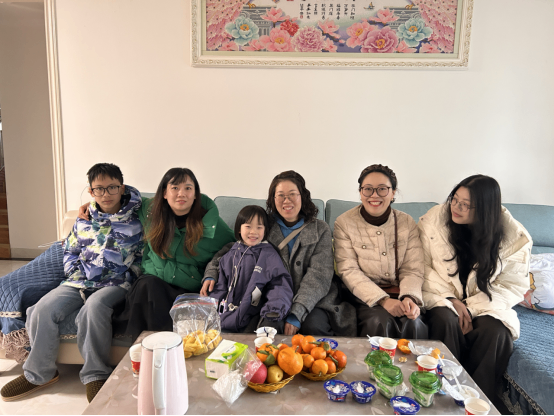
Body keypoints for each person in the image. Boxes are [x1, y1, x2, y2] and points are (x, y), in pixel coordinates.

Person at [1, 163, 144, 403]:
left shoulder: (137, 221)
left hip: (115, 283)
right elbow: (70, 250)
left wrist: (130, 274)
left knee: (93, 309)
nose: (106, 194)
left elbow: (143, 256)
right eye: (99, 189)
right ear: (91, 191)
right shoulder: (84, 220)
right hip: (78, 281)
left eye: (112, 187)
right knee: (39, 310)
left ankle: (96, 374)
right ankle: (39, 374)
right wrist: (73, 271)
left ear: (121, 187)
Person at [202, 170, 356, 337]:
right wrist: (212, 273)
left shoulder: (320, 229)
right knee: (267, 329)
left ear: (302, 196)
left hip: (313, 300)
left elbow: (319, 276)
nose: (286, 200)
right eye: (281, 195)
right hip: (272, 297)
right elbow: (234, 251)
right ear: (273, 199)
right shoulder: (262, 225)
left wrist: (297, 312)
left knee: (314, 328)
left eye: (292, 194)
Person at [419, 174, 532, 401]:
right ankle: (440, 396)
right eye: (455, 199)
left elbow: (511, 286)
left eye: (466, 205)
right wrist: (450, 300)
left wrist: (470, 308)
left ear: (486, 209)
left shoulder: (516, 238)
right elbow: (422, 267)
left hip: (486, 303)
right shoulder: (433, 221)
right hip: (439, 296)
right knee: (445, 320)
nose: (456, 207)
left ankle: (476, 401)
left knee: (497, 332)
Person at [110, 168, 236, 341]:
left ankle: (161, 348)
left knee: (150, 292)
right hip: (153, 285)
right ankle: (152, 348)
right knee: (148, 286)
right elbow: (120, 195)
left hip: (189, 290)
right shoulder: (150, 211)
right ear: (164, 193)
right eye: (175, 188)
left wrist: (211, 273)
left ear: (195, 194)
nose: (181, 194)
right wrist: (91, 205)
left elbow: (234, 251)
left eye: (188, 188)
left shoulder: (212, 224)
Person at [334, 164, 428, 339]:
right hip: (363, 297)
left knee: (413, 322)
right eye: (368, 189)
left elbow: (413, 268)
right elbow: (348, 270)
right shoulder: (344, 223)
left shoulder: (407, 222)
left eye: (382, 189)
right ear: (360, 192)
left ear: (393, 193)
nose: (374, 195)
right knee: (380, 321)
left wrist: (409, 297)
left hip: (400, 292)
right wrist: (383, 300)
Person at [208, 206, 294, 333]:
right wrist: (210, 306)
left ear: (265, 230)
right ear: (239, 229)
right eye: (248, 226)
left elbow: (280, 284)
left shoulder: (269, 255)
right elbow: (221, 285)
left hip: (255, 312)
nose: (253, 232)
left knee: (249, 340)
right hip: (228, 310)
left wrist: (275, 308)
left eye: (259, 227)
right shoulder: (231, 254)